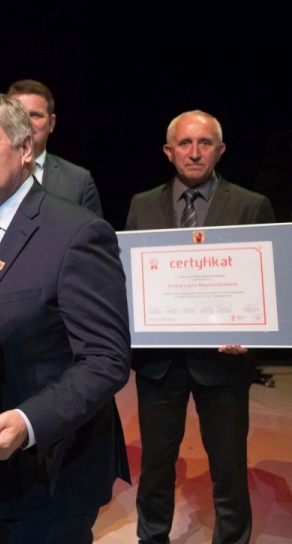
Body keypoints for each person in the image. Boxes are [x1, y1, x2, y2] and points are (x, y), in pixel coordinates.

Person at [0, 93, 130, 543]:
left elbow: (106, 360)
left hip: (51, 472)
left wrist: (27, 423)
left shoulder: (77, 232)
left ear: (25, 149)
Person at [126, 110, 274, 544]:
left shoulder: (250, 205)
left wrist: (252, 333)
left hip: (224, 363)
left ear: (220, 150)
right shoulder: (142, 204)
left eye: (204, 143)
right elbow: (131, 278)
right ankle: (151, 538)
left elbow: (266, 283)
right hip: (159, 362)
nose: (194, 152)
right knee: (156, 466)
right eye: (185, 143)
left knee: (228, 467)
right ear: (168, 151)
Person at [7, 79, 102, 216]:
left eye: (35, 115)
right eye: (19, 115)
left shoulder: (79, 181)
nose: (26, 122)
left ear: (51, 123)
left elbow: (94, 230)